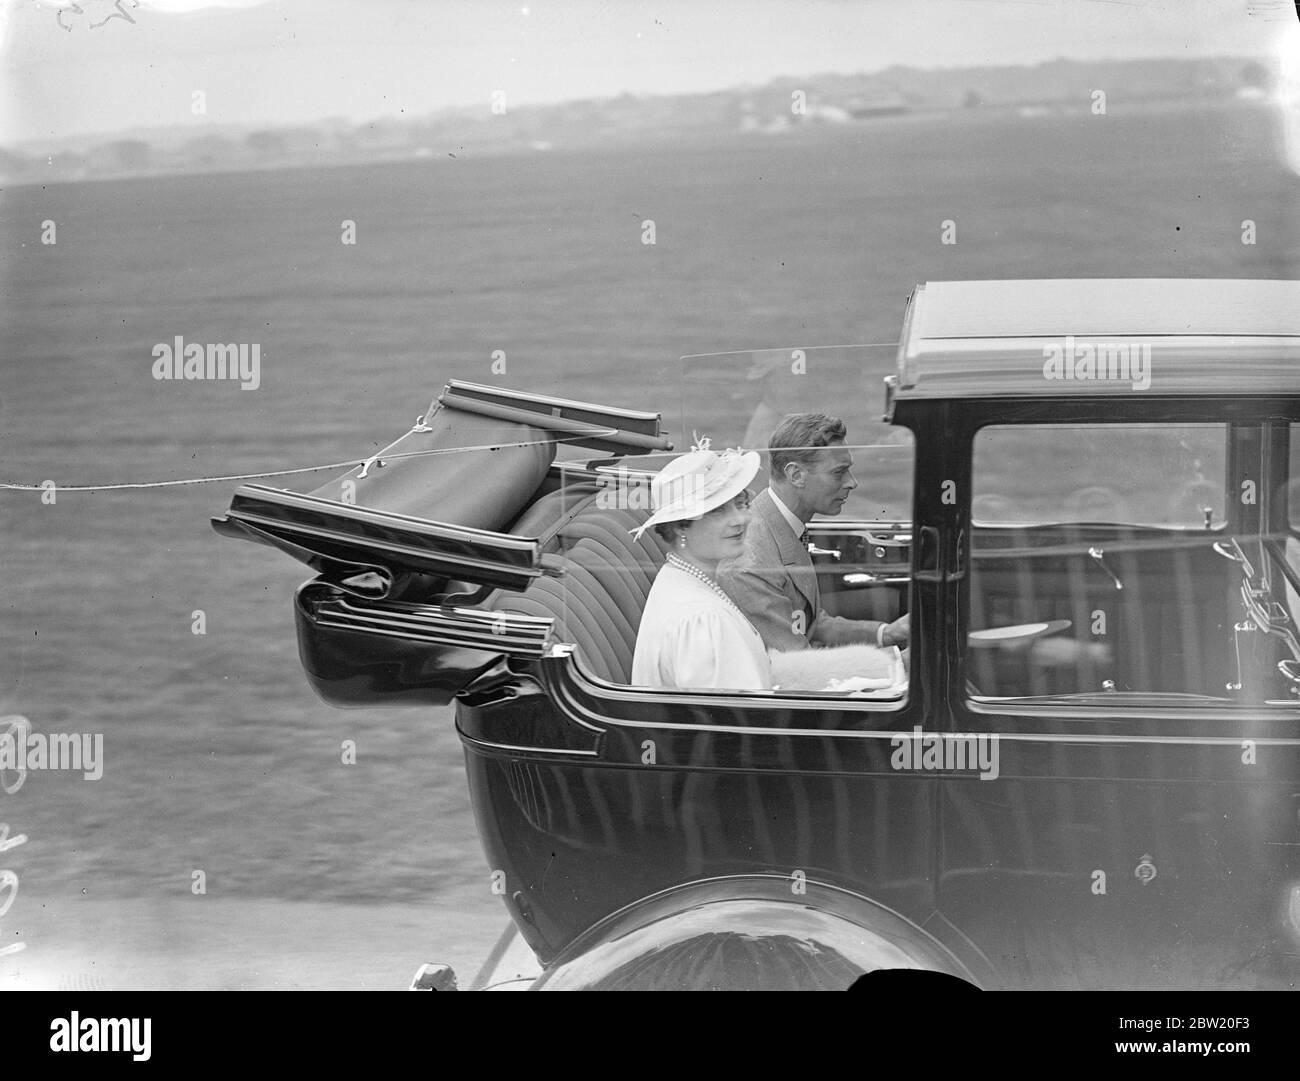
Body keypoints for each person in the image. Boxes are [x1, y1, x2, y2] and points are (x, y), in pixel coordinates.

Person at [719, 412, 909, 654]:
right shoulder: (752, 565)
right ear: (796, 475)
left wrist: (889, 634)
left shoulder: (785, 525)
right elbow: (798, 667)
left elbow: (812, 624)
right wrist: (895, 665)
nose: (852, 482)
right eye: (839, 472)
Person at [630, 438, 772, 691]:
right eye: (717, 510)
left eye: (740, 504)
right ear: (680, 526)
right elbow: (738, 723)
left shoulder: (677, 578)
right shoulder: (703, 621)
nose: (740, 519)